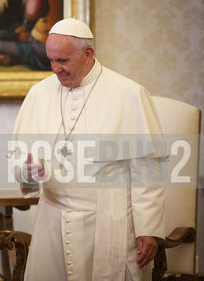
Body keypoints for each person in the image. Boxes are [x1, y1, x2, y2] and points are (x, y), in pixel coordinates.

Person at [10, 18, 166, 280]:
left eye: (62, 61)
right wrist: (27, 170)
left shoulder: (129, 94)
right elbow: (18, 157)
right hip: (52, 221)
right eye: (51, 61)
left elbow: (146, 168)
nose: (55, 69)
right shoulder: (39, 94)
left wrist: (147, 229)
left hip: (109, 220)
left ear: (88, 54)